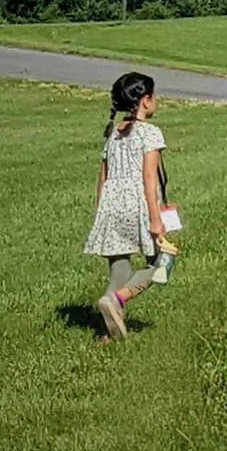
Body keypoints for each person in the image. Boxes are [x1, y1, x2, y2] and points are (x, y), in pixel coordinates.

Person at [88, 69, 169, 339]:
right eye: (154, 95)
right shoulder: (150, 133)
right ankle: (119, 300)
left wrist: (101, 211)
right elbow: (149, 178)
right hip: (138, 205)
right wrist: (155, 217)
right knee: (161, 263)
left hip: (111, 205)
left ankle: (105, 335)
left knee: (119, 269)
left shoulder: (113, 134)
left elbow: (103, 175)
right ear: (145, 100)